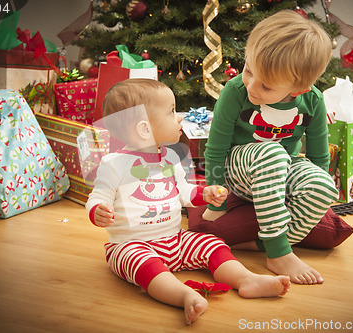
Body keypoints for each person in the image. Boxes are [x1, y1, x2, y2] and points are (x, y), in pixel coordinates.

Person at [86, 79, 291, 325]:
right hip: (131, 244)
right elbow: (98, 197)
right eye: (172, 112)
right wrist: (98, 210)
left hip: (175, 239)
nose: (180, 118)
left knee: (210, 242)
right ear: (144, 129)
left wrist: (204, 194)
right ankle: (184, 295)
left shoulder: (171, 158)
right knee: (141, 263)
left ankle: (245, 279)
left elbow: (183, 192)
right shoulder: (113, 163)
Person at [202, 10, 339, 285]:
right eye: (248, 70)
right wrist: (216, 190)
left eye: (265, 86)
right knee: (273, 152)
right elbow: (216, 146)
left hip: (280, 169)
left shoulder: (311, 101)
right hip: (238, 169)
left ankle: (261, 246)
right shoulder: (235, 92)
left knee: (324, 184)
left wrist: (311, 193)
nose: (251, 87)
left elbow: (318, 156)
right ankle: (279, 252)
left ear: (298, 89)